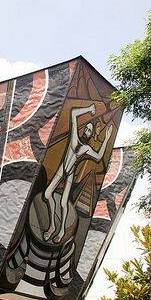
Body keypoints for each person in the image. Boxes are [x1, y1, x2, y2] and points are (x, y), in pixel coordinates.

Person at [43, 103, 113, 242]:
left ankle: (61, 230)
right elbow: (73, 113)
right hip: (61, 169)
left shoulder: (86, 149)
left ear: (91, 134)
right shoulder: (74, 137)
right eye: (86, 128)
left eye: (89, 131)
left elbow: (99, 157)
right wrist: (89, 109)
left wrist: (106, 139)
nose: (86, 131)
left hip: (70, 174)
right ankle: (51, 225)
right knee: (47, 194)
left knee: (63, 203)